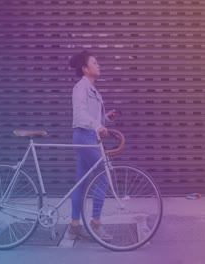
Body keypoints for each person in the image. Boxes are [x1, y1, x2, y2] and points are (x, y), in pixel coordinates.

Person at [68, 50, 118, 241]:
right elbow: (80, 115)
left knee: (82, 183)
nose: (99, 66)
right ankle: (96, 224)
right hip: (84, 137)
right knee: (104, 176)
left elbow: (95, 120)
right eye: (95, 63)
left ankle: (74, 227)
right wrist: (97, 125)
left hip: (89, 137)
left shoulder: (93, 90)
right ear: (85, 69)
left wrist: (105, 119)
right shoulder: (81, 87)